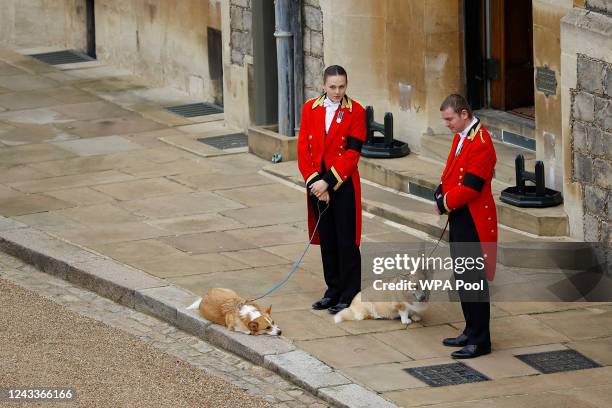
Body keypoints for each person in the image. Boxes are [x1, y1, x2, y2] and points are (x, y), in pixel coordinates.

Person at [297, 65, 366, 315]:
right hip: (317, 186)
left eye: (342, 86)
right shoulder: (310, 109)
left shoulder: (356, 112)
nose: (338, 92)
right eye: (333, 87)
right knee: (327, 239)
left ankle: (350, 294)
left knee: (346, 241)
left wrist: (328, 182)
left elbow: (353, 153)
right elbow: (303, 148)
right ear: (324, 86)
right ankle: (333, 289)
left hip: (343, 184)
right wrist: (316, 183)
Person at [435, 94, 498, 359]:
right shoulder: (462, 136)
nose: (447, 124)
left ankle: (481, 340)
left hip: (473, 218)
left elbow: (471, 187)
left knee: (474, 279)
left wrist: (444, 202)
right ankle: (470, 330)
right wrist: (440, 192)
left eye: (449, 119)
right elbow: (451, 173)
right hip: (460, 215)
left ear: (463, 114)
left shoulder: (481, 142)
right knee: (463, 277)